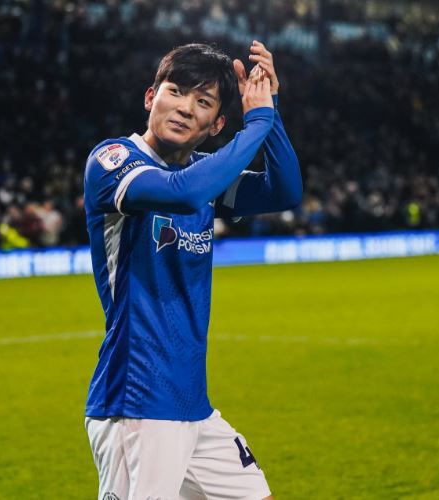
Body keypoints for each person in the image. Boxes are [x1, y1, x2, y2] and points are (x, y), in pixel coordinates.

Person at [83, 41, 302, 499]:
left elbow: (284, 191)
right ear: (151, 97)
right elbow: (181, 193)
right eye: (176, 91)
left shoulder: (206, 176)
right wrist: (256, 123)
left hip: (192, 403)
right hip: (137, 398)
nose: (184, 107)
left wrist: (270, 109)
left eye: (202, 101)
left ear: (217, 124)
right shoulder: (113, 161)